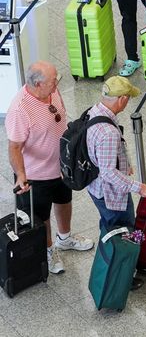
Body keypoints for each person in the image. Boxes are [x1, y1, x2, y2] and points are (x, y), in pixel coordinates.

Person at [5, 62, 93, 276]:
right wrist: (22, 176)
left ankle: (65, 238)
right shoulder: (20, 109)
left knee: (64, 201)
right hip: (37, 175)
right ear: (37, 83)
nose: (58, 83)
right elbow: (14, 147)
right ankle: (48, 249)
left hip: (61, 166)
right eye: (54, 80)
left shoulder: (51, 91)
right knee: (41, 216)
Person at [86, 77, 146, 290]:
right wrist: (138, 186)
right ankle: (122, 272)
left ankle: (112, 254)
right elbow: (108, 172)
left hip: (95, 188)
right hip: (110, 194)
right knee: (124, 230)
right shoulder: (108, 132)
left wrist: (124, 164)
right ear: (122, 99)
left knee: (109, 225)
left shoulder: (95, 112)